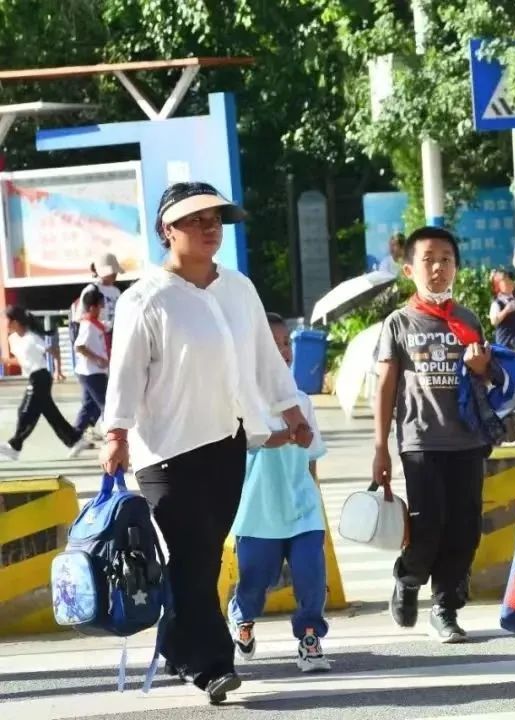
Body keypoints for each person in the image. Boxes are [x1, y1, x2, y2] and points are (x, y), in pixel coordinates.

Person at [100, 181, 313, 705]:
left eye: (215, 217)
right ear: (167, 231)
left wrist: (291, 410)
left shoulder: (238, 287)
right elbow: (124, 373)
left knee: (204, 558)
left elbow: (265, 355)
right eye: (194, 220)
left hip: (227, 441)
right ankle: (211, 664)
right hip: (165, 452)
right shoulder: (144, 298)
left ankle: (175, 646)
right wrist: (116, 432)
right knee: (193, 555)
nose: (208, 226)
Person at [372, 226, 500, 644]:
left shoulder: (468, 320)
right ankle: (409, 579)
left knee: (464, 530)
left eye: (446, 259)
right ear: (410, 269)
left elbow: (485, 379)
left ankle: (445, 608)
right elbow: (386, 387)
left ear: (456, 269)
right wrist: (381, 449)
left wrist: (483, 367)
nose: (438, 268)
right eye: (428, 259)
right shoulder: (399, 323)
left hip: (467, 442)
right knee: (428, 527)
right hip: (420, 442)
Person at [228, 312, 332, 674]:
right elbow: (254, 442)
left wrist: (315, 503)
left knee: (310, 576)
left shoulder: (302, 401)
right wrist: (288, 436)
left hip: (302, 511)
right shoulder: (242, 404)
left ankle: (309, 637)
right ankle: (241, 616)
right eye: (272, 345)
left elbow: (312, 457)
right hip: (257, 513)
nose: (283, 351)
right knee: (256, 582)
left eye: (286, 343)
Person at [0, 306, 88, 461]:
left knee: (25, 411)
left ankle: (15, 446)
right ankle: (75, 439)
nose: (3, 323)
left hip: (41, 377)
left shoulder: (32, 338)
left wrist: (58, 370)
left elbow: (54, 351)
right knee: (50, 413)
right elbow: (22, 361)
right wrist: (5, 360)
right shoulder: (12, 339)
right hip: (34, 377)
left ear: (15, 322)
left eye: (5, 320)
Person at [72, 288, 110, 441]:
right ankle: (112, 438)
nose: (102, 309)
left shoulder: (95, 324)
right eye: (100, 305)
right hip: (91, 372)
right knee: (106, 405)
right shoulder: (88, 325)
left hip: (91, 372)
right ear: (93, 307)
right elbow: (79, 346)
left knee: (89, 407)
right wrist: (98, 359)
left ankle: (74, 438)